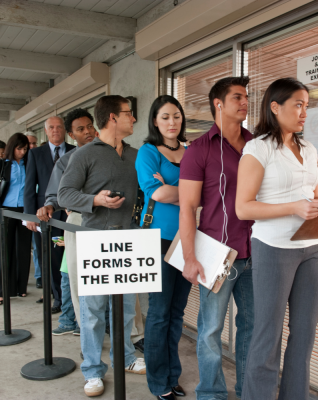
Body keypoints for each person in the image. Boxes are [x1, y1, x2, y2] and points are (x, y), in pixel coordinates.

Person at [235, 78, 318, 400]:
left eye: (307, 105)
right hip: (274, 248)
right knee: (267, 337)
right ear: (275, 107)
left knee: (303, 336)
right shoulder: (258, 147)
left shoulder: (308, 149)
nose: (305, 112)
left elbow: (313, 199)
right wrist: (294, 207)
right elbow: (243, 207)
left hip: (311, 248)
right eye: (298, 105)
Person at [58, 95, 146, 397]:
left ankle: (126, 357)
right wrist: (95, 200)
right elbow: (64, 195)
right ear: (112, 118)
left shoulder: (137, 154)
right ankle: (93, 370)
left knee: (124, 309)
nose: (133, 119)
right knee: (93, 311)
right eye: (128, 114)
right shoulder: (83, 155)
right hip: (95, 239)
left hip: (130, 240)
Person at [179, 77, 254, 400]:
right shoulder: (199, 150)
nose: (245, 102)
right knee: (210, 330)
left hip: (257, 253)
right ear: (218, 104)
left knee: (253, 328)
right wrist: (190, 258)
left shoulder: (257, 145)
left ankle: (248, 389)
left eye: (247, 97)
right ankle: (210, 393)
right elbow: (187, 208)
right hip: (218, 255)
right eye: (237, 97)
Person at [136, 95, 192, 400]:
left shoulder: (192, 151)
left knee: (177, 313)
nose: (172, 122)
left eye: (177, 116)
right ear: (155, 121)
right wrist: (187, 191)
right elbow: (156, 193)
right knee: (159, 313)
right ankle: (159, 383)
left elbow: (207, 192)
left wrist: (175, 190)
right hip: (158, 239)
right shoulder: (147, 152)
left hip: (188, 239)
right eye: (166, 117)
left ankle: (172, 376)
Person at [37, 108, 97, 335]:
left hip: (111, 223)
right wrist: (49, 207)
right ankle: (86, 334)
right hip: (78, 222)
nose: (87, 132)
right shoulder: (67, 160)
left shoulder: (112, 153)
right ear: (72, 135)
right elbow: (54, 194)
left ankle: (126, 333)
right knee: (78, 279)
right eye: (80, 129)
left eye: (90, 126)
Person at [24, 116, 75, 313]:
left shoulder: (75, 151)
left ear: (65, 130)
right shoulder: (36, 154)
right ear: (46, 131)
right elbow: (29, 187)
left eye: (59, 127)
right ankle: (58, 300)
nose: (55, 130)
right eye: (51, 127)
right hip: (45, 214)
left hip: (70, 213)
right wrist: (30, 216)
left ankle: (73, 298)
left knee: (70, 256)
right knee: (52, 257)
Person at [0, 133, 31, 305]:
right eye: (19, 149)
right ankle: (3, 288)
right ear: (12, 148)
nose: (22, 152)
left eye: (25, 149)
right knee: (5, 249)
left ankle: (21, 287)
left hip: (24, 209)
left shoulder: (29, 163)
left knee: (24, 248)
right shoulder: (4, 164)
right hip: (6, 208)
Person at [24, 131, 41, 288]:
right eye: (28, 143)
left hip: (40, 209)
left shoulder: (38, 157)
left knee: (37, 245)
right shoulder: (20, 162)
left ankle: (39, 276)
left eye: (34, 143)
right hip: (25, 209)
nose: (31, 146)